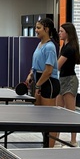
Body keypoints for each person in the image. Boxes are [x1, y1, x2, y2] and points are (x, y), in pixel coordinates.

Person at [25, 17, 60, 146]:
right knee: (40, 117)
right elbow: (36, 65)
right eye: (36, 27)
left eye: (38, 28)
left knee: (49, 118)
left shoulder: (50, 47)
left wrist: (39, 85)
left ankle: (50, 147)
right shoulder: (40, 44)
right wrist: (30, 75)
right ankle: (46, 143)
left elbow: (48, 70)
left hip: (48, 83)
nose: (36, 30)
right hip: (39, 81)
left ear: (47, 29)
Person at [57, 22, 80, 146]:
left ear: (68, 33)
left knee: (70, 111)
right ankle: (55, 138)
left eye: (61, 31)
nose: (59, 33)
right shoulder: (64, 46)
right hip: (62, 79)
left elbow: (57, 65)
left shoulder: (70, 48)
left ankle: (73, 140)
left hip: (70, 80)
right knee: (58, 111)